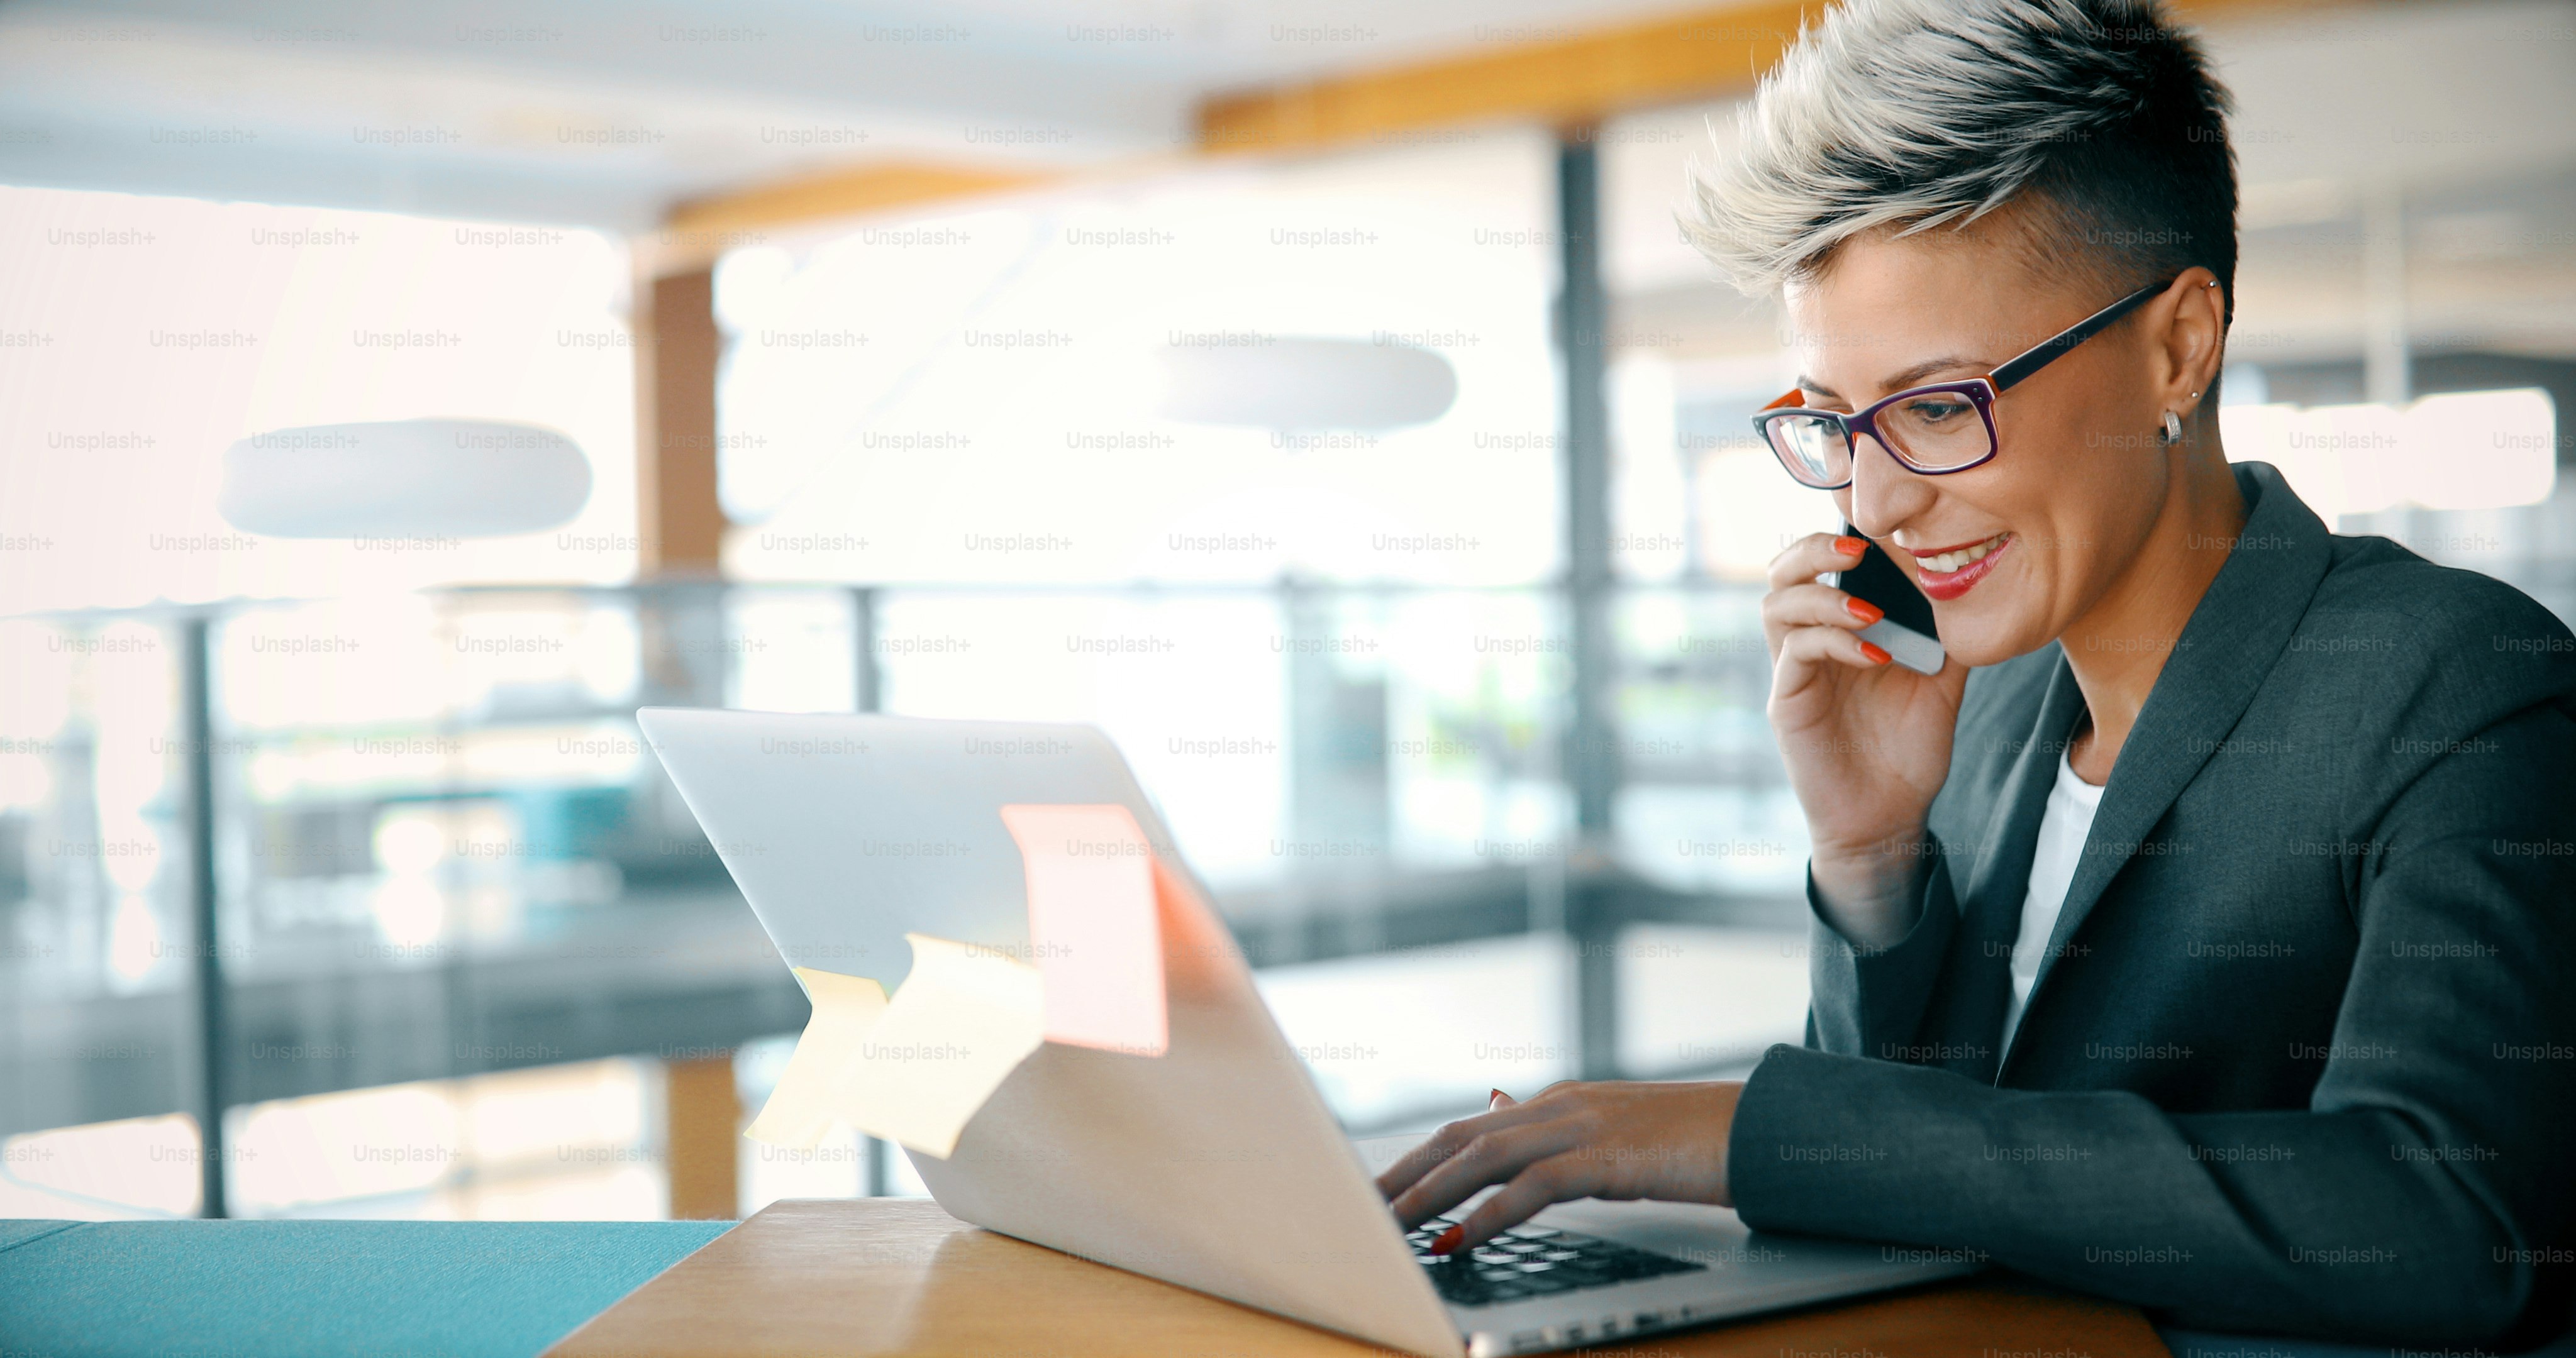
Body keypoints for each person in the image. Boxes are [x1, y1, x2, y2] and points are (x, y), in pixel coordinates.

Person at [1375, 0, 2576, 1344]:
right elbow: (1896, 1208)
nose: (1876, 502)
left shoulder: (2458, 688)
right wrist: (1870, 859)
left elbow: (2447, 1221)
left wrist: (1753, 1129)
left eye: (1938, 407)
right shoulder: (1987, 703)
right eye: (1833, 424)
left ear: (2174, 348)